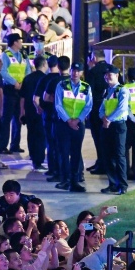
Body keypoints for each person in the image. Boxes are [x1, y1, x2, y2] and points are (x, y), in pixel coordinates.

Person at [54, 62, 93, 193]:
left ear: (81, 73)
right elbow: (58, 105)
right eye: (73, 70)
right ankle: (65, 180)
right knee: (64, 153)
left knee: (76, 152)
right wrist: (68, 120)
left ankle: (74, 181)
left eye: (78, 71)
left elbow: (88, 106)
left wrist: (78, 119)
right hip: (64, 124)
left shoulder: (86, 87)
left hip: (78, 124)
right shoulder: (62, 85)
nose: (75, 73)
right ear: (70, 71)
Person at [98, 65, 129, 195]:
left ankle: (123, 185)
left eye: (109, 74)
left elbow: (122, 108)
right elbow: (101, 108)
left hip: (118, 126)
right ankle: (112, 184)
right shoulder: (107, 90)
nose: (107, 77)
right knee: (108, 156)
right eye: (106, 75)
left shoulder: (122, 90)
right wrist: (103, 118)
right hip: (107, 126)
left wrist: (108, 119)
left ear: (117, 75)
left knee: (119, 156)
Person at [0, 34, 31, 154]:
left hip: (21, 89)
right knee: (6, 118)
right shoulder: (5, 55)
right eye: (20, 40)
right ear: (14, 42)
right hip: (9, 89)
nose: (22, 42)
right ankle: (2, 145)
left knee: (18, 118)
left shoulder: (23, 55)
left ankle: (15, 145)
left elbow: (28, 69)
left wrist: (24, 82)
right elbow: (3, 71)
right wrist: (14, 82)